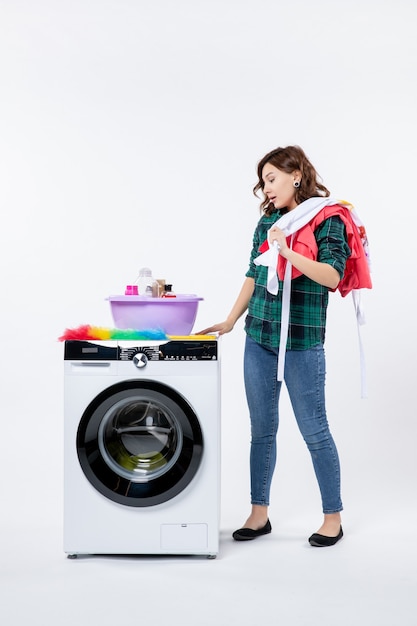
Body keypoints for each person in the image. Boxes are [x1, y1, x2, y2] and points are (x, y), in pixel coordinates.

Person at [199, 145, 354, 547]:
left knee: (315, 430)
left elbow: (332, 276)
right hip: (260, 339)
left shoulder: (328, 217)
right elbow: (254, 272)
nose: (265, 189)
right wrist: (232, 320)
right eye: (263, 182)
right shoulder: (268, 221)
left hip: (302, 343)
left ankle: (332, 518)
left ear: (296, 176)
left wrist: (287, 251)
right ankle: (258, 513)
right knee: (262, 430)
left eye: (271, 179)